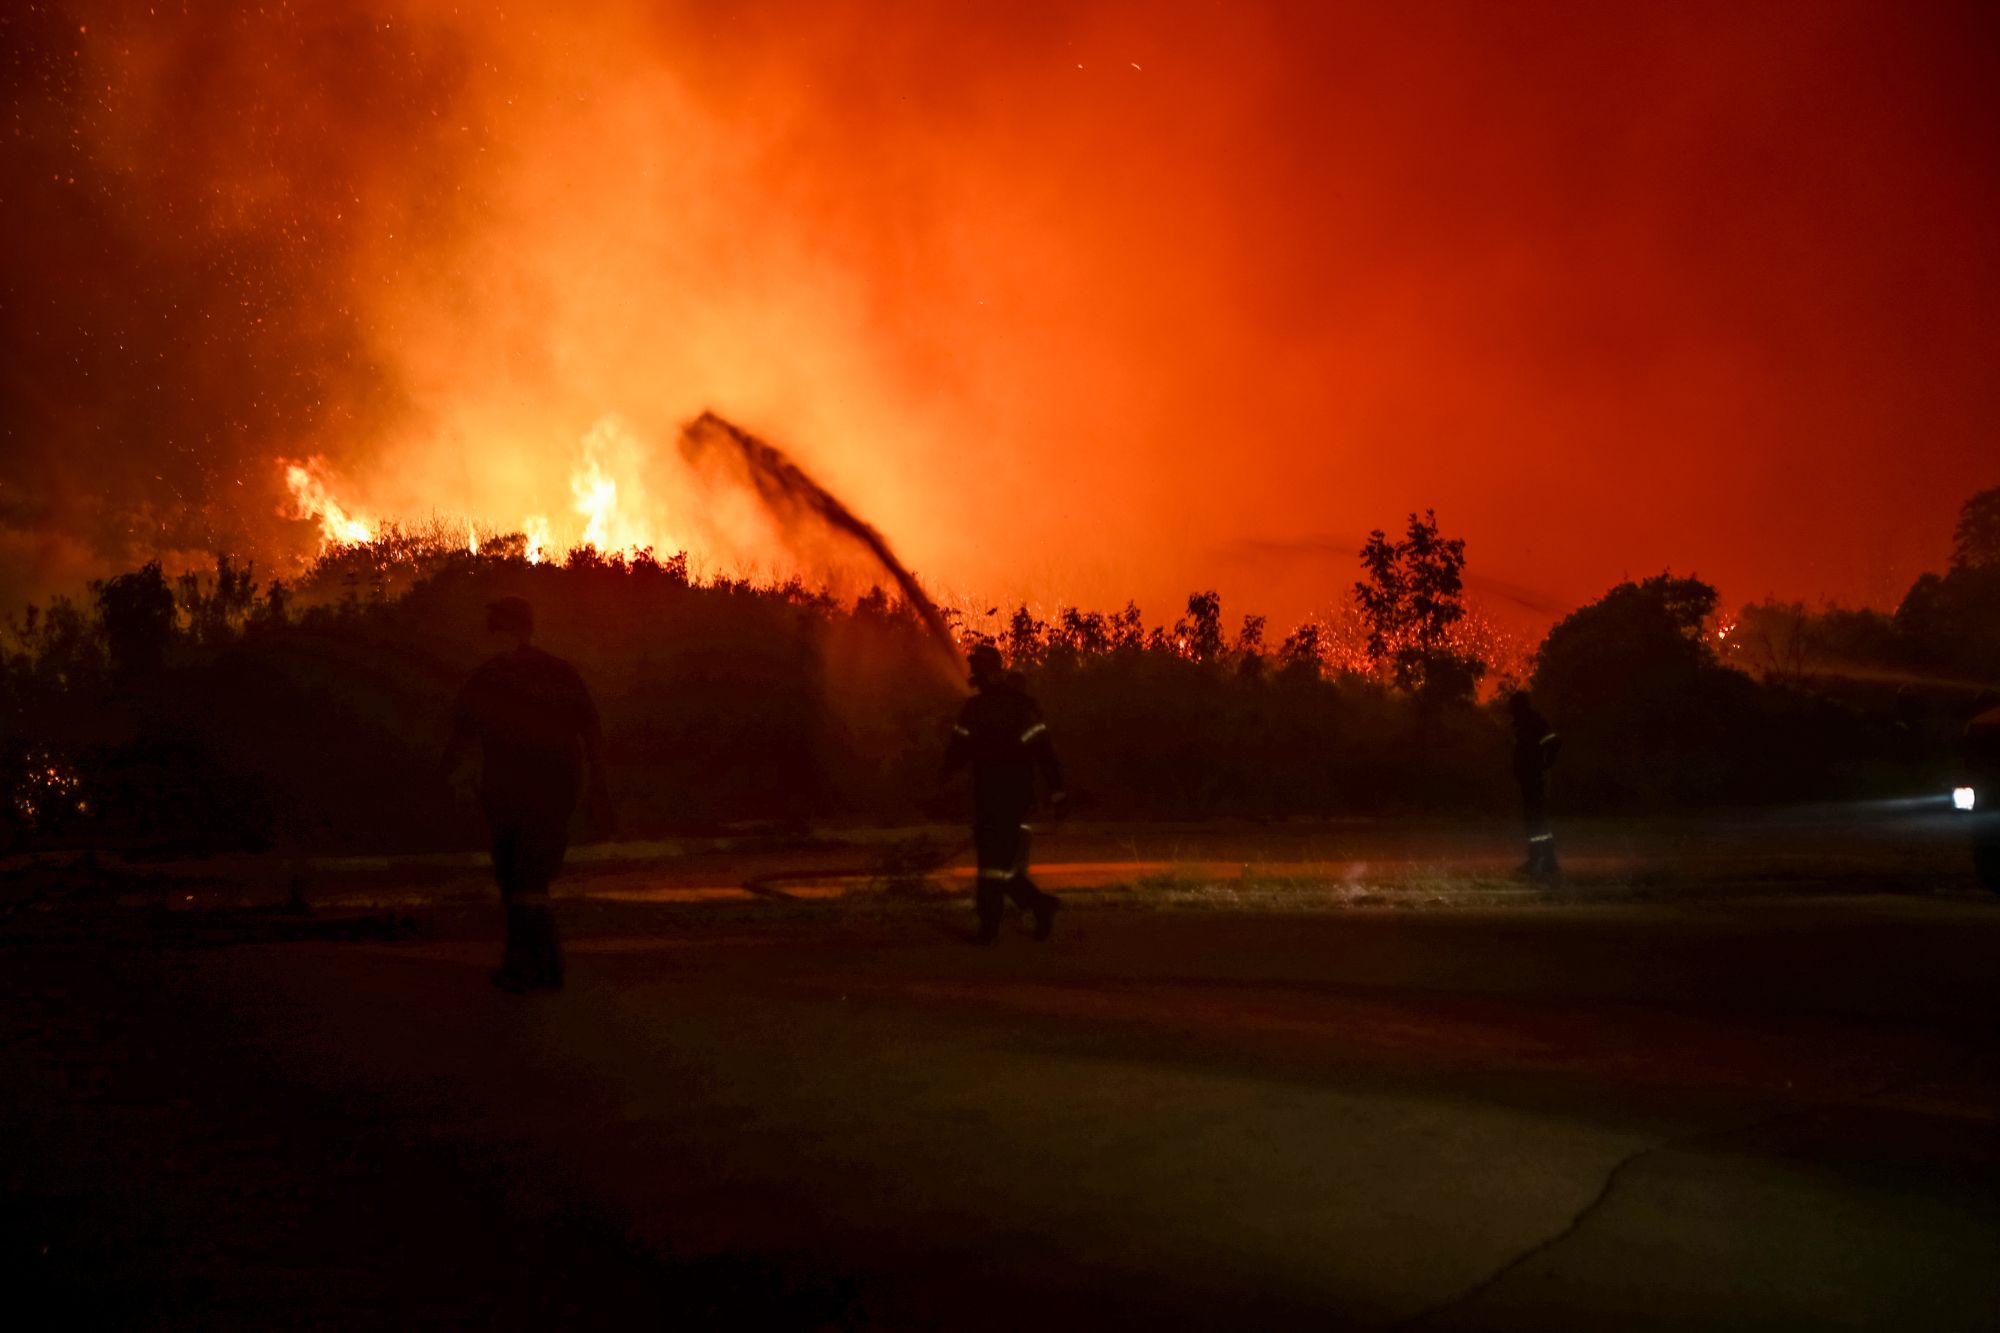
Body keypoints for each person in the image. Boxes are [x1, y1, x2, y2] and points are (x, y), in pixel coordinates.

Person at [442, 596, 609, 991]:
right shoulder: (553, 673)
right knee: (519, 880)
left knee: (524, 879)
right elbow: (592, 732)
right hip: (533, 790)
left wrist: (446, 777)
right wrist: (598, 787)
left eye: (493, 627)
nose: (487, 636)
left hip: (529, 791)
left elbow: (460, 737)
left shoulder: (496, 676)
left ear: (509, 630)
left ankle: (538, 965)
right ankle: (532, 965)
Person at [944, 644, 1066, 944]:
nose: (977, 675)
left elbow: (1043, 750)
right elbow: (956, 753)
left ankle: (989, 928)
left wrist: (1058, 791)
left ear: (993, 672)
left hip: (1011, 797)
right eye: (976, 669)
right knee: (1000, 868)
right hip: (992, 794)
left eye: (981, 669)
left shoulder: (1010, 707)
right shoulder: (979, 708)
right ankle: (1040, 905)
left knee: (992, 867)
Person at [1509, 690, 1562, 879]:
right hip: (1529, 778)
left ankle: (1541, 860)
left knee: (1535, 820)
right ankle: (1546, 861)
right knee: (1535, 820)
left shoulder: (1532, 722)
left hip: (1535, 778)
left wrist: (1545, 764)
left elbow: (1553, 742)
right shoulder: (1523, 723)